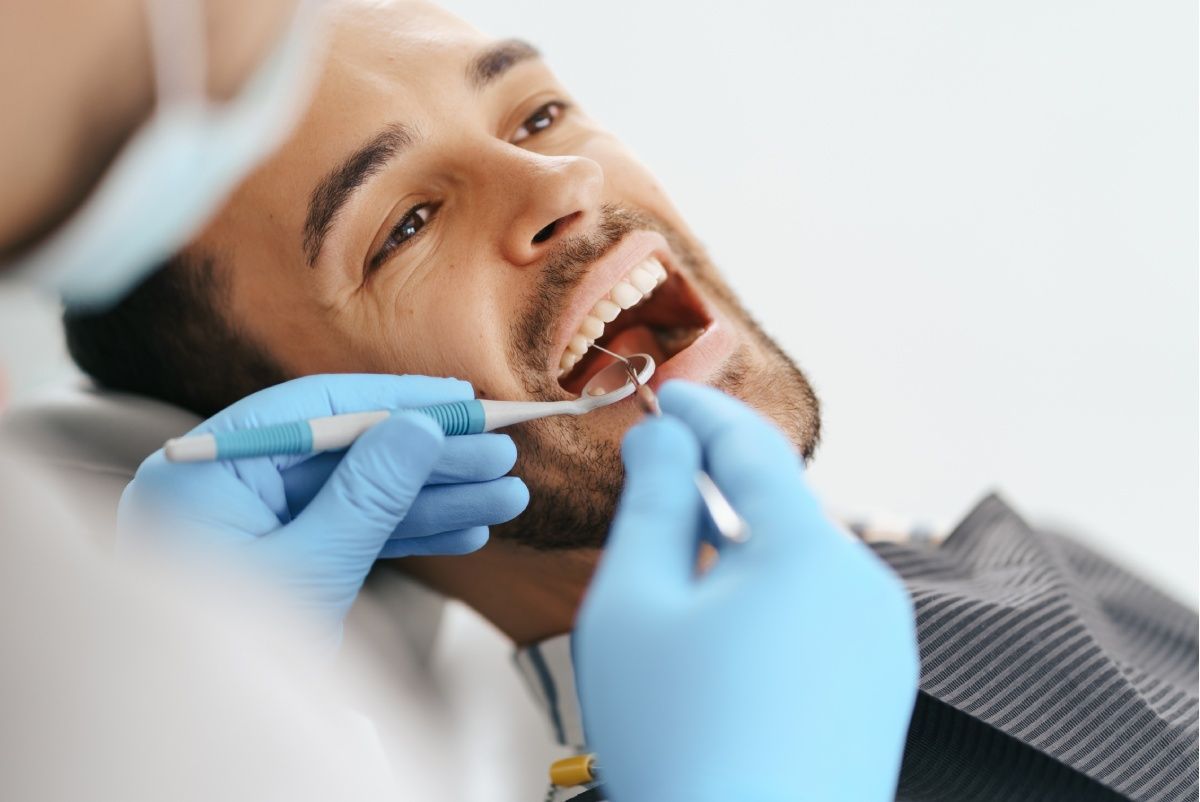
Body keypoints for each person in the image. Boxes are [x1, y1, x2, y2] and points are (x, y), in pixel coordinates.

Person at [57, 2, 1199, 800]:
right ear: (336, 428)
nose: (561, 183)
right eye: (404, 226)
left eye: (538, 114)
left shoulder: (1051, 565)